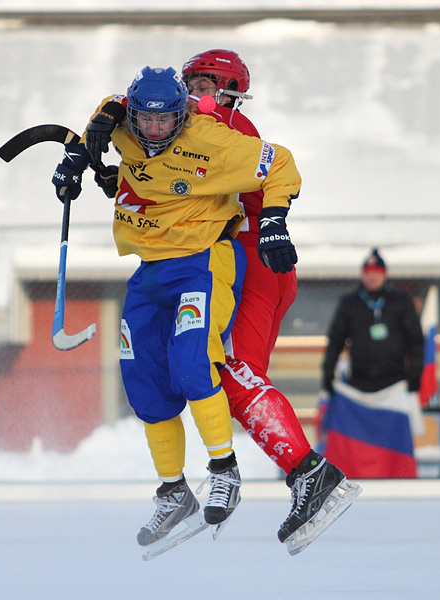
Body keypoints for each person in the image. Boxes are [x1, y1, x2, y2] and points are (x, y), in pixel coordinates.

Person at [51, 65, 302, 555]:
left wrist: (273, 221)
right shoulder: (126, 127)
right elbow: (105, 115)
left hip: (202, 260)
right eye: (147, 121)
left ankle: (224, 471)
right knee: (142, 377)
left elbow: (282, 162)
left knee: (192, 362)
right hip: (149, 270)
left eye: (167, 122)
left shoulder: (211, 140)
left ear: (182, 115)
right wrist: (77, 158)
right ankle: (173, 491)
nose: (156, 132)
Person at [180, 48, 361, 553]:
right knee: (238, 377)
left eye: (205, 84)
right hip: (262, 259)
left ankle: (308, 472)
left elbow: (264, 171)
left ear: (229, 89)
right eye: (191, 82)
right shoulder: (222, 124)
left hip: (247, 258)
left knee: (231, 369)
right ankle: (292, 471)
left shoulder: (228, 127)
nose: (194, 93)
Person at [320, 248, 425, 478]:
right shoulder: (349, 303)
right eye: (368, 272)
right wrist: (327, 374)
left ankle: (397, 474)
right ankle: (347, 474)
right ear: (362, 275)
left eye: (376, 272)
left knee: (395, 439)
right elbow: (335, 341)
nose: (372, 277)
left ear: (385, 274)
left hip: (394, 384)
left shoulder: (401, 301)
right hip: (358, 384)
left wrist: (415, 375)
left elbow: (416, 341)